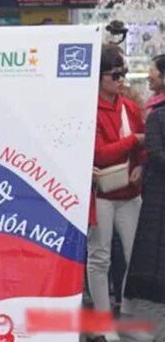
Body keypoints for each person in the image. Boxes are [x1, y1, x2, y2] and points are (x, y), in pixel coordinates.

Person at [88, 44, 146, 342]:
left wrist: (140, 166)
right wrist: (133, 142)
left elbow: (144, 147)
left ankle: (125, 317)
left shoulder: (130, 107)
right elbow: (99, 154)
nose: (121, 79)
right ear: (99, 78)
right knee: (100, 259)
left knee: (134, 257)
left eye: (123, 74)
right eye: (115, 74)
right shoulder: (91, 109)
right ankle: (102, 322)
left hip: (129, 192)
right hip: (102, 194)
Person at [124, 54, 165, 341]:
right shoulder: (155, 113)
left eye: (153, 72)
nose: (149, 76)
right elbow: (155, 151)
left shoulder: (156, 113)